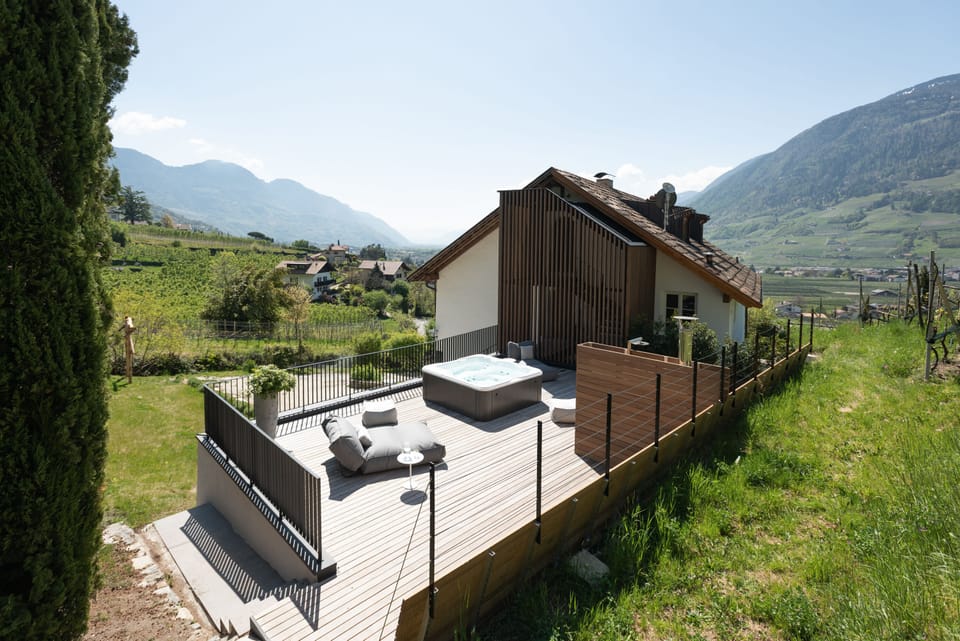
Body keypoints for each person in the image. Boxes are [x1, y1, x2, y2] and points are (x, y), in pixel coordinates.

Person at [120, 315, 136, 383]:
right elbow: (127, 327)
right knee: (128, 356)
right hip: (127, 336)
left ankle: (130, 378)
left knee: (129, 356)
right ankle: (127, 375)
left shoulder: (128, 323)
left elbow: (131, 328)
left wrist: (130, 328)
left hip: (128, 336)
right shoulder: (127, 322)